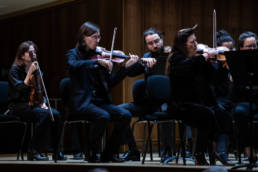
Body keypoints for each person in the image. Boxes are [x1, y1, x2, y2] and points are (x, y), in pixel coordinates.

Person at [66, 21, 146, 162]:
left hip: (99, 102)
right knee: (103, 116)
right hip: (83, 102)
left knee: (125, 115)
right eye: (95, 37)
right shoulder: (74, 54)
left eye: (99, 37)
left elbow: (109, 84)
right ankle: (91, 152)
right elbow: (73, 65)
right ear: (84, 37)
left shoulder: (99, 56)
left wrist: (125, 69)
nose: (98, 40)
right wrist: (96, 62)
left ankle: (108, 153)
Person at [166, 25, 232, 165]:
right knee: (206, 115)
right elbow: (187, 67)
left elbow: (216, 80)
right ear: (183, 44)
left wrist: (223, 65)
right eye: (192, 42)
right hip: (181, 105)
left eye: (196, 41)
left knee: (223, 115)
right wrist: (205, 56)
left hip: (200, 103)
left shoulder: (199, 60)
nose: (196, 44)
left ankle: (214, 151)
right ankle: (199, 154)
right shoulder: (177, 58)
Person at [119, 28, 173, 162]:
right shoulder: (147, 57)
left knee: (165, 108)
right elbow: (130, 73)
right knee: (120, 111)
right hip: (149, 103)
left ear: (162, 39)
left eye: (157, 41)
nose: (154, 45)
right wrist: (130, 64)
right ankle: (133, 151)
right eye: (150, 43)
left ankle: (167, 151)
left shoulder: (171, 55)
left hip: (168, 100)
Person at [8, 41, 66, 161]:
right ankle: (33, 151)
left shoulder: (36, 70)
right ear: (23, 55)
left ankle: (57, 151)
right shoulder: (14, 70)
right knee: (44, 115)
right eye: (30, 52)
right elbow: (20, 89)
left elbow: (40, 90)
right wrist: (29, 72)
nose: (34, 54)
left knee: (56, 114)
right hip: (18, 106)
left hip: (33, 105)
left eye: (35, 52)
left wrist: (43, 102)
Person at [232, 31, 258, 163]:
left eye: (254, 46)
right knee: (240, 112)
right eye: (249, 46)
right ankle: (248, 147)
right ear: (241, 48)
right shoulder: (235, 62)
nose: (253, 49)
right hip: (243, 100)